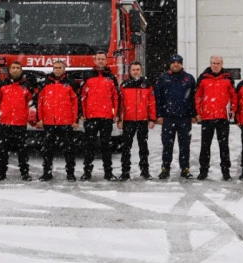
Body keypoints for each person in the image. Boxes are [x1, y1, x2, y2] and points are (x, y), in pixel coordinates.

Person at [194, 55, 238, 180]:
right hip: (207, 117)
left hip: (222, 117)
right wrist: (198, 112)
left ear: (222, 64)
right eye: (213, 63)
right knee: (205, 146)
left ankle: (225, 171)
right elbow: (198, 96)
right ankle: (203, 170)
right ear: (210, 64)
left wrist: (233, 110)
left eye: (218, 63)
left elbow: (234, 96)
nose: (215, 65)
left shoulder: (227, 78)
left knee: (224, 146)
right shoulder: (203, 78)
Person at [154, 54, 197, 179]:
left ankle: (185, 169)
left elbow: (193, 98)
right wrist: (159, 115)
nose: (176, 64)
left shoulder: (189, 79)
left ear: (182, 64)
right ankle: (165, 168)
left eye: (178, 62)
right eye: (173, 62)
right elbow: (158, 98)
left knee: (185, 145)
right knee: (167, 145)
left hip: (185, 118)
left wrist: (193, 114)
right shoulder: (163, 78)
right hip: (168, 118)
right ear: (170, 64)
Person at [0, 61, 36, 182]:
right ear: (9, 70)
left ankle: (24, 173)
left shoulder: (26, 86)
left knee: (22, 150)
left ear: (21, 70)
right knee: (3, 149)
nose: (15, 70)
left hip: (20, 122)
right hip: (5, 122)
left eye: (18, 68)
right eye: (13, 68)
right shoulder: (2, 85)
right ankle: (1, 173)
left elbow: (31, 100)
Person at [37, 60, 80, 181]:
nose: (57, 70)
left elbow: (75, 102)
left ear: (64, 69)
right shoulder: (45, 83)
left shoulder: (70, 83)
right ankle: (47, 172)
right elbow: (39, 102)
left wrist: (75, 119)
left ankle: (70, 173)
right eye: (55, 67)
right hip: (49, 122)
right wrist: (39, 118)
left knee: (69, 150)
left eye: (60, 67)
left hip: (65, 122)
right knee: (47, 150)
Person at [80, 51, 120, 181]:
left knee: (106, 146)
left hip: (106, 117)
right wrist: (82, 113)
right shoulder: (87, 76)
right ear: (94, 60)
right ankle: (87, 172)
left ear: (106, 61)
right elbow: (82, 96)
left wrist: (115, 114)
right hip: (91, 117)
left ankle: (108, 172)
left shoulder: (111, 77)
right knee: (89, 146)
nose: (101, 61)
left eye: (103, 59)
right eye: (99, 59)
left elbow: (116, 97)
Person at [118, 61, 156, 180]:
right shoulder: (124, 85)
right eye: (133, 70)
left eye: (138, 69)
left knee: (143, 147)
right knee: (126, 148)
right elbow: (120, 104)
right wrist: (119, 119)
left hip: (142, 120)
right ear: (130, 71)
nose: (135, 72)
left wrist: (152, 119)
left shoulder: (147, 84)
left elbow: (152, 103)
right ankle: (125, 172)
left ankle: (145, 171)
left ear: (141, 70)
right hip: (128, 121)